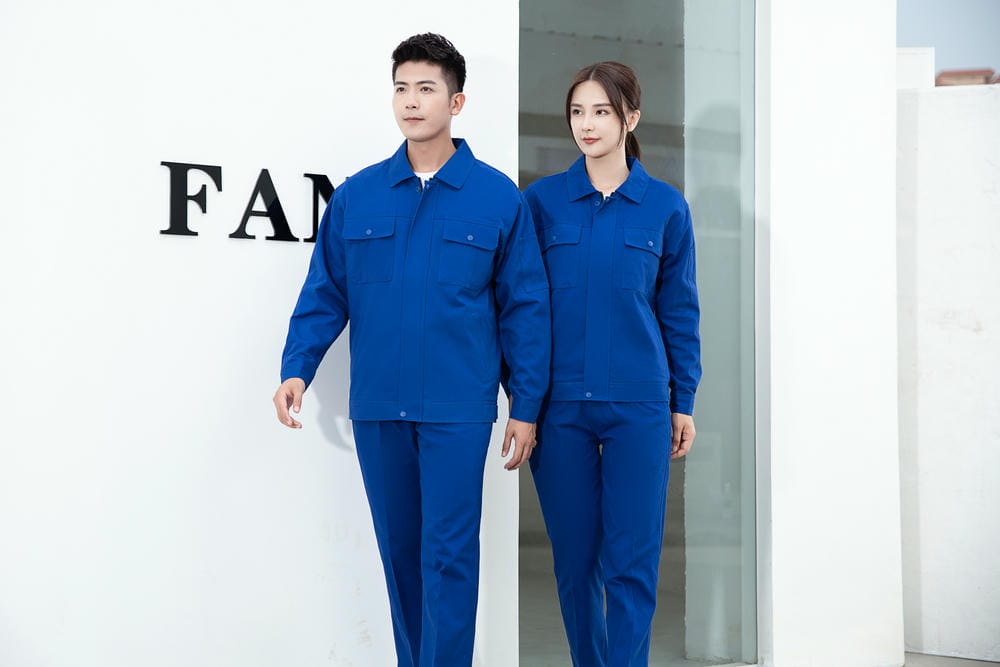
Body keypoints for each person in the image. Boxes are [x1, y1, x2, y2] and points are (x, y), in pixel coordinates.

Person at [272, 33, 550, 667]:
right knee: (400, 556)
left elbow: (525, 309)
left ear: (456, 102)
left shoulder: (497, 198)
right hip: (380, 407)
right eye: (401, 88)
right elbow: (326, 291)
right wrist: (297, 368)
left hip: (458, 408)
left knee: (448, 556)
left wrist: (526, 404)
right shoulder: (359, 196)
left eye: (426, 88)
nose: (411, 101)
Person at [523, 62, 701, 666]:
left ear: (631, 118)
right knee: (575, 564)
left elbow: (680, 312)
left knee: (632, 563)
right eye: (578, 111)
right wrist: (525, 402)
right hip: (561, 407)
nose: (587, 124)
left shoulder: (666, 208)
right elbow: (522, 308)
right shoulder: (541, 203)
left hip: (639, 405)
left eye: (601, 111)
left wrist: (683, 401)